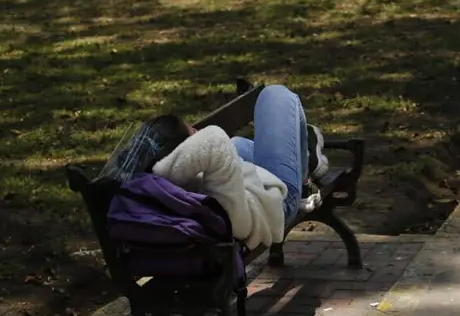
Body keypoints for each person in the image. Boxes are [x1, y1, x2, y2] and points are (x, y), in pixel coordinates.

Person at [104, 85, 327, 250]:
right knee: (275, 95)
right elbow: (214, 138)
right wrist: (163, 170)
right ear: (183, 149)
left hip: (252, 194)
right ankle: (305, 170)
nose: (197, 131)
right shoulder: (179, 172)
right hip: (278, 205)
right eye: (192, 131)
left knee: (237, 144)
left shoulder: (176, 185)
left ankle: (306, 152)